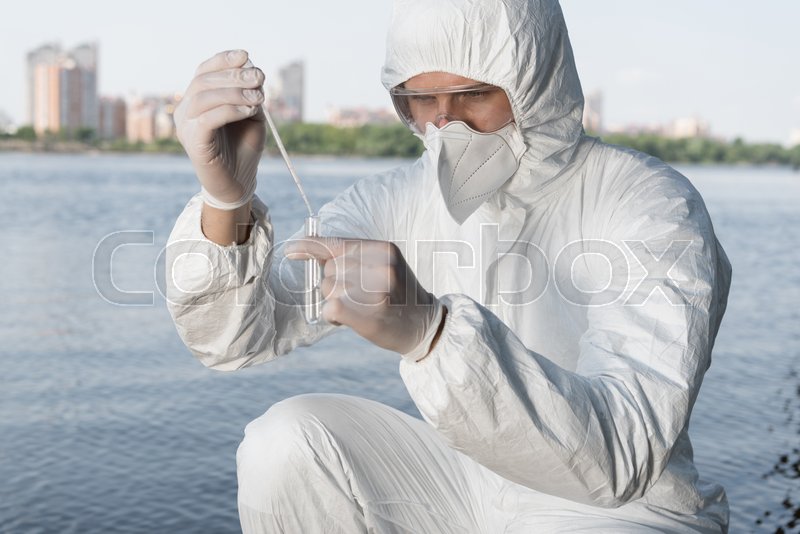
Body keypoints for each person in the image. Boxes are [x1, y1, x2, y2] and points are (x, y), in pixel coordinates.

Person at [166, 0, 732, 531]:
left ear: (538, 81)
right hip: (463, 481)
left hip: (625, 509)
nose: (445, 123)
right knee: (285, 444)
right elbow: (236, 339)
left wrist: (433, 334)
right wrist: (227, 201)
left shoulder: (647, 201)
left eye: (473, 94)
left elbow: (624, 452)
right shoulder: (399, 198)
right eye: (421, 99)